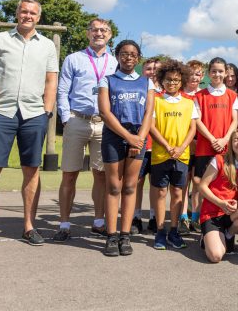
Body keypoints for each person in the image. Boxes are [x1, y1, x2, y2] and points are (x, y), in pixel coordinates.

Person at [0, 0, 59, 252]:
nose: (27, 15)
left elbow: (51, 79)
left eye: (32, 12)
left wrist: (47, 111)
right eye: (23, 11)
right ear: (17, 13)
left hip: (34, 114)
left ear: (38, 17)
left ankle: (29, 226)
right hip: (2, 112)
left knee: (32, 170)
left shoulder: (47, 46)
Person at [54, 18, 118, 243]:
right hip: (77, 120)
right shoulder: (74, 59)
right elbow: (62, 90)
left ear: (109, 35)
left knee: (101, 175)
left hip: (104, 123)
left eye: (103, 30)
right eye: (94, 30)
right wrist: (66, 118)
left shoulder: (115, 62)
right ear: (87, 33)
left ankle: (99, 222)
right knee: (69, 174)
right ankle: (64, 224)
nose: (99, 33)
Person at [98, 40, 155, 256]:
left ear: (138, 58)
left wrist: (139, 138)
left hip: (138, 137)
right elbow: (105, 113)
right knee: (113, 186)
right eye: (124, 53)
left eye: (132, 54)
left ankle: (125, 235)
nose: (128, 57)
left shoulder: (146, 82)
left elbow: (149, 113)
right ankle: (111, 236)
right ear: (118, 55)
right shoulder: (108, 80)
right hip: (114, 137)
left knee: (131, 186)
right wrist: (128, 137)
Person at [149, 60, 198, 250]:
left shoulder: (189, 103)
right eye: (169, 80)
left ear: (182, 81)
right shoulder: (156, 101)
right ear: (162, 80)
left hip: (181, 156)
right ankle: (160, 231)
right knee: (160, 192)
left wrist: (181, 147)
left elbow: (192, 129)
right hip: (161, 155)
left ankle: (174, 230)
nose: (172, 83)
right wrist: (167, 145)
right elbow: (151, 127)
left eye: (176, 80)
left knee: (178, 193)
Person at [193, 57, 238, 230]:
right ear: (208, 73)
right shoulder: (199, 96)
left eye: (221, 71)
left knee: (224, 183)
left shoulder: (232, 95)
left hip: (225, 148)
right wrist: (212, 139)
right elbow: (197, 120)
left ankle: (222, 216)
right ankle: (197, 217)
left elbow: (234, 121)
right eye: (214, 71)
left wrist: (225, 139)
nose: (217, 74)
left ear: (226, 73)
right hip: (205, 147)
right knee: (200, 183)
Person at [198, 128, 238, 262]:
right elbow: (202, 186)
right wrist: (220, 203)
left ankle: (228, 234)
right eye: (235, 139)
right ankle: (206, 237)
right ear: (230, 144)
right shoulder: (219, 160)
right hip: (212, 213)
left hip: (230, 214)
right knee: (216, 256)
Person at [133, 57, 162, 234]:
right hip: (140, 144)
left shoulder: (167, 93)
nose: (152, 72)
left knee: (156, 184)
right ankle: (135, 216)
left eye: (156, 69)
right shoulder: (137, 90)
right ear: (143, 71)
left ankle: (153, 216)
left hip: (159, 147)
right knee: (137, 182)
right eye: (149, 69)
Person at [178, 59, 205, 233]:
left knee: (198, 183)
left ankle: (196, 217)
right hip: (183, 144)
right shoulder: (178, 94)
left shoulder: (204, 94)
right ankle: (182, 218)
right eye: (191, 73)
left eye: (198, 73)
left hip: (201, 145)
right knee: (183, 183)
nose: (194, 77)